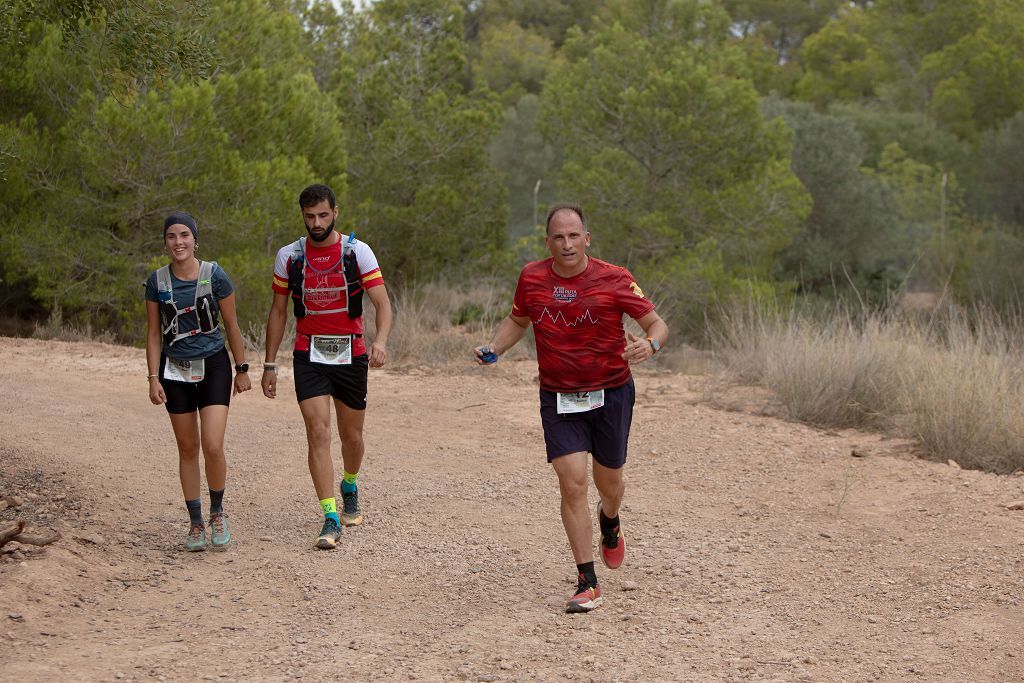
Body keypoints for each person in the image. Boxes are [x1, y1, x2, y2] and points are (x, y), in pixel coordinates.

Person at [474, 202, 668, 613]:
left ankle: (610, 522)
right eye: (558, 237)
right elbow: (519, 320)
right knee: (572, 481)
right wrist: (495, 348)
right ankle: (587, 580)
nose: (566, 244)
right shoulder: (532, 277)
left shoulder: (614, 278)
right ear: (548, 242)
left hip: (611, 392)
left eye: (573, 236)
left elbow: (657, 324)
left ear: (587, 239)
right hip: (559, 396)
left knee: (609, 483)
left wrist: (649, 345)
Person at [261, 184, 393, 550]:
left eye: (322, 215)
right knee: (318, 432)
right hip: (309, 354)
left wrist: (379, 341)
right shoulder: (289, 256)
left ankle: (349, 482)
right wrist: (269, 364)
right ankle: (330, 515)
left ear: (336, 212)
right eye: (309, 217)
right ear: (302, 215)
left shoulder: (357, 251)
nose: (316, 223)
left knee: (352, 437)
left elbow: (382, 303)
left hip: (351, 354)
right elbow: (278, 311)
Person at [145, 211, 251, 552]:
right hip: (174, 370)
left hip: (214, 366)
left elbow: (232, 325)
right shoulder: (156, 282)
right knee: (188, 448)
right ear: (165, 242)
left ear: (194, 239)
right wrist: (152, 378)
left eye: (184, 236)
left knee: (213, 445)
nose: (179, 242)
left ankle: (217, 512)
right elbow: (152, 334)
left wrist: (243, 368)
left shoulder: (214, 275)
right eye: (172, 236)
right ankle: (194, 522)